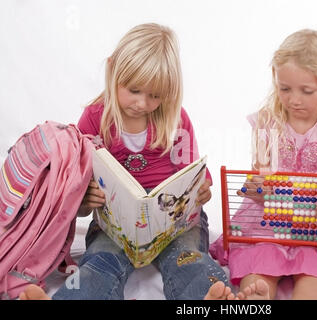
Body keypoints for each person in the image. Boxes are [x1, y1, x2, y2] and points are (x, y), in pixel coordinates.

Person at [19, 23, 229, 300]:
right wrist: (86, 199)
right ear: (112, 71)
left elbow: (195, 176)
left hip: (175, 224)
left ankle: (210, 298)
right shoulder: (95, 118)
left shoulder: (176, 120)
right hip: (115, 225)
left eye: (155, 96)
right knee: (99, 265)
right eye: (134, 90)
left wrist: (201, 191)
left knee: (189, 260)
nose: (143, 103)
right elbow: (76, 188)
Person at [207, 28, 317, 300]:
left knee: (314, 282)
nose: (293, 99)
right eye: (284, 88)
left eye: (306, 91)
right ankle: (256, 297)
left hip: (312, 228)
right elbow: (260, 175)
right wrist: (257, 188)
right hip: (268, 222)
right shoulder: (268, 121)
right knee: (258, 271)